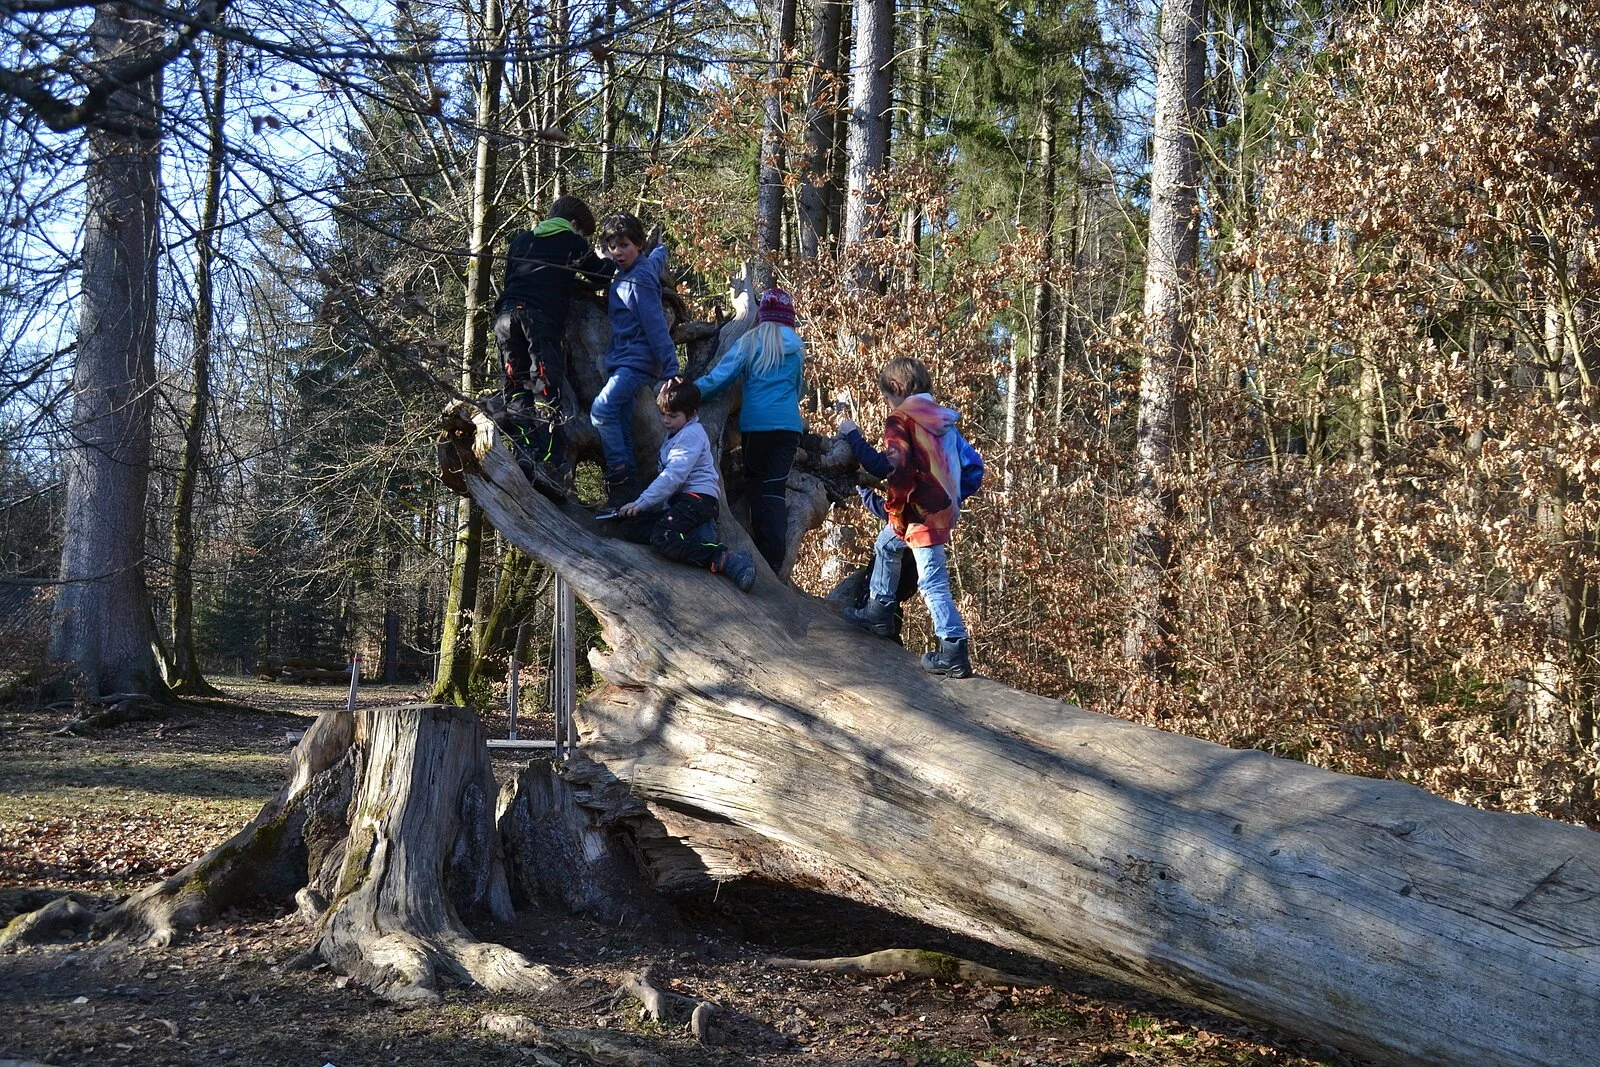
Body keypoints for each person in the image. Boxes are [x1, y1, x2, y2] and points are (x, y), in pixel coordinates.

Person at [838, 357, 984, 678]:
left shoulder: (901, 419)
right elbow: (974, 468)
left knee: (932, 581)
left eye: (886, 397)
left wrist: (853, 436)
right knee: (887, 545)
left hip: (920, 515)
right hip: (934, 510)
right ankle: (879, 610)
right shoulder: (944, 421)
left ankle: (954, 648)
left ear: (897, 388)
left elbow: (890, 468)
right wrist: (951, 496)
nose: (888, 403)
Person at [493, 195, 611, 490]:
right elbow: (600, 276)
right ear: (574, 224)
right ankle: (550, 465)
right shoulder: (572, 242)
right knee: (544, 387)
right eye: (583, 233)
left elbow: (514, 279)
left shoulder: (521, 240)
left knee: (516, 387)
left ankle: (525, 453)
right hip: (539, 319)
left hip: (505, 318)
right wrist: (606, 258)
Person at [694, 288, 805, 573]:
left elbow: (721, 376)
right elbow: (798, 390)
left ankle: (759, 546)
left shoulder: (750, 341)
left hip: (756, 424)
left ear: (762, 316)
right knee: (775, 487)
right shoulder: (796, 348)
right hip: (788, 427)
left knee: (755, 482)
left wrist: (692, 392)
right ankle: (775, 555)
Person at [610, 378, 758, 592]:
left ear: (691, 413)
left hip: (698, 500)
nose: (666, 420)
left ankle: (726, 558)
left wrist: (641, 502)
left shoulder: (691, 435)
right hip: (682, 503)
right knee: (633, 527)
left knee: (663, 536)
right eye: (663, 414)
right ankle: (691, 539)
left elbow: (673, 476)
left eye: (673, 416)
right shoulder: (675, 434)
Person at [591, 212, 678, 508]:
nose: (618, 252)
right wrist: (661, 249)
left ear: (638, 244)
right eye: (612, 246)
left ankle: (620, 479)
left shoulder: (639, 279)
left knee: (602, 411)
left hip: (636, 362)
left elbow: (656, 326)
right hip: (623, 360)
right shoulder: (634, 268)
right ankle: (629, 497)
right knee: (621, 422)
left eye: (624, 245)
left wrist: (671, 369)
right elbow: (656, 261)